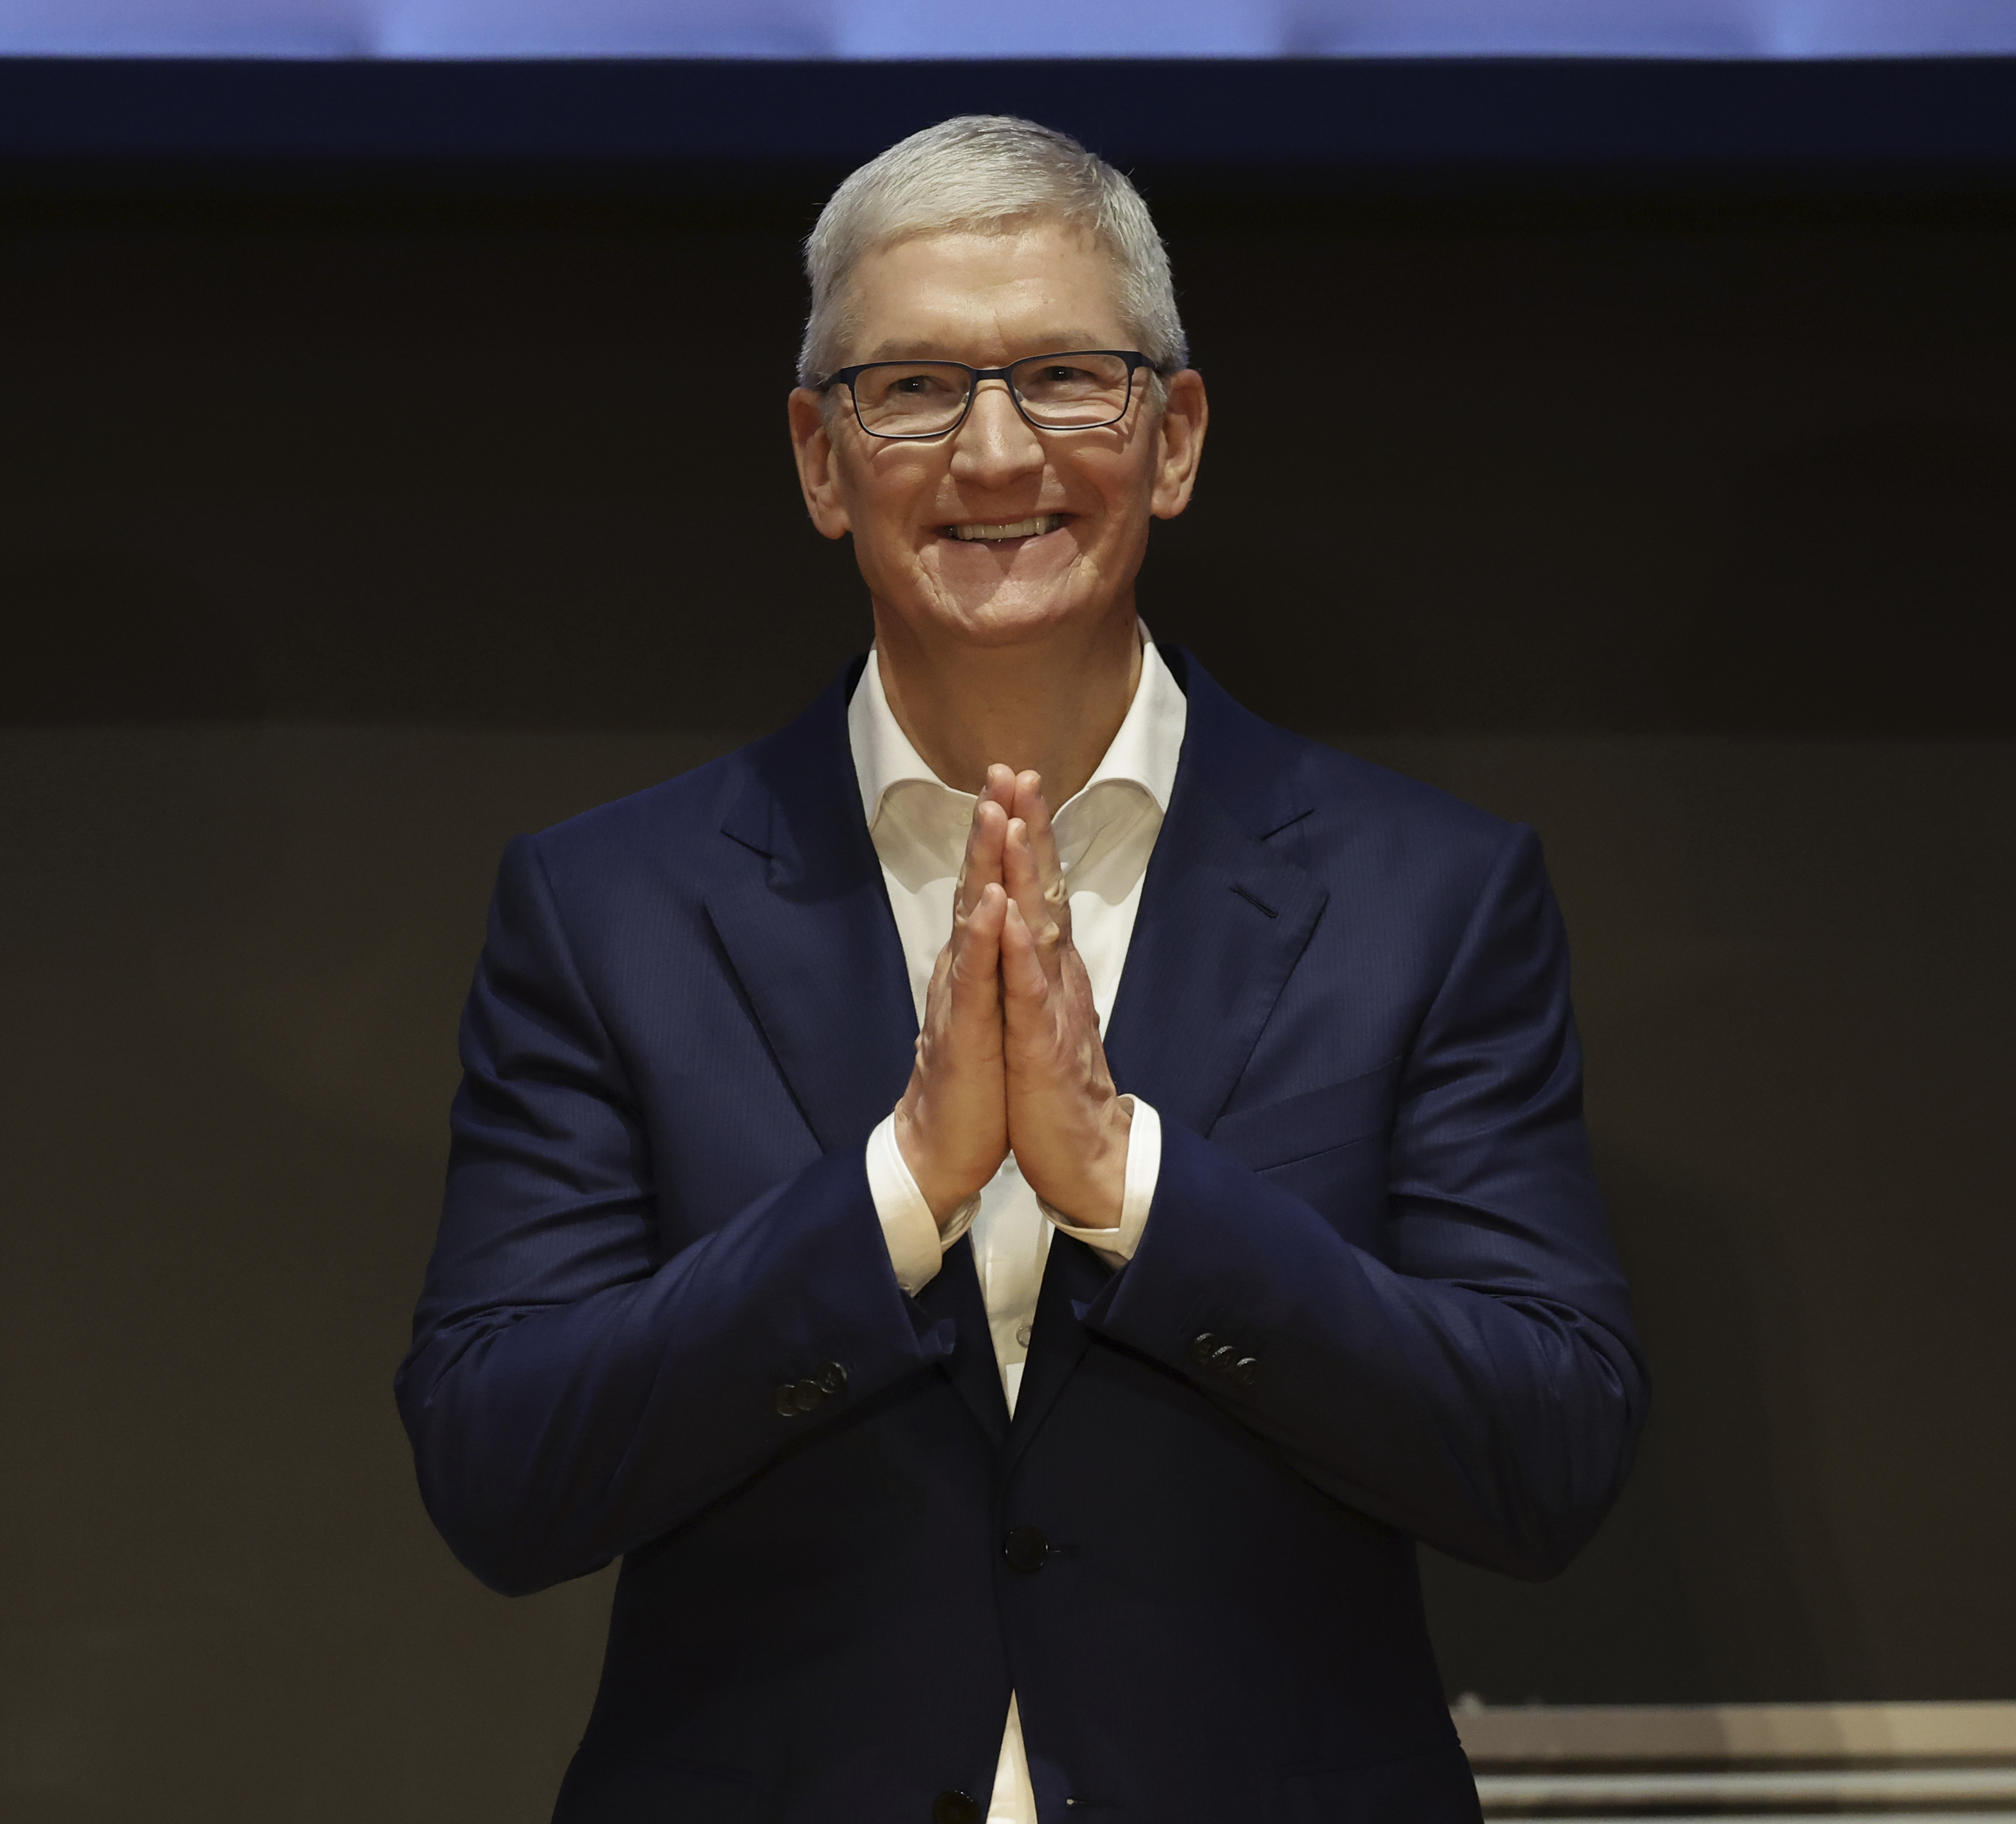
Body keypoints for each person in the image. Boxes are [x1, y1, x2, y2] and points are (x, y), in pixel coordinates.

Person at [395, 115, 1645, 1824]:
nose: (994, 453)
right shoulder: (603, 905)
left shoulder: (1428, 892)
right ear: (819, 460)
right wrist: (895, 1193)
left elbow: (1546, 1451)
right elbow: (498, 1467)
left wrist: (1131, 1182)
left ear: (1174, 432)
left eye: (1066, 375)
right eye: (910, 388)